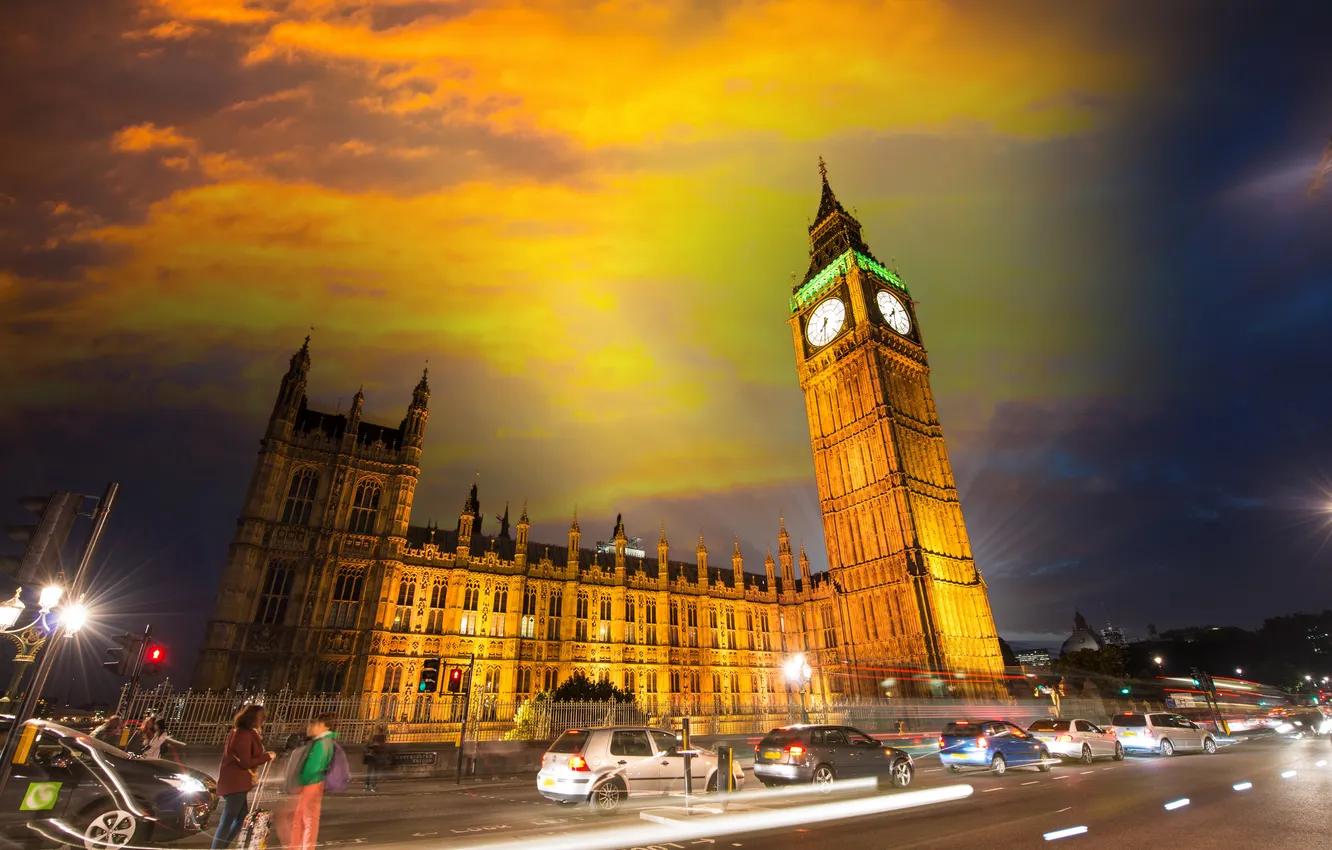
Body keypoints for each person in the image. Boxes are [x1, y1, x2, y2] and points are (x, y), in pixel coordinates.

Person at [212, 705, 276, 850]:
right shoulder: (244, 735)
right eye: (262, 718)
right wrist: (268, 756)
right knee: (227, 821)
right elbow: (246, 762)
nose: (264, 722)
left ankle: (221, 847)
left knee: (240, 819)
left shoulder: (240, 733)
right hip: (236, 783)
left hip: (236, 783)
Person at [288, 714, 337, 850]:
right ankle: (296, 846)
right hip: (311, 783)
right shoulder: (322, 741)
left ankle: (305, 847)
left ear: (324, 726)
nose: (314, 727)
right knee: (301, 818)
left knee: (308, 819)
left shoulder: (323, 742)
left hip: (312, 784)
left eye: (317, 724)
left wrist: (301, 781)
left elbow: (314, 767)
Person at [363, 726, 388, 792]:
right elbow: (381, 747)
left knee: (369, 772)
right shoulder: (380, 738)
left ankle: (366, 786)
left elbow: (366, 746)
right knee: (375, 772)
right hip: (375, 757)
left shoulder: (371, 738)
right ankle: (372, 786)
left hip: (370, 757)